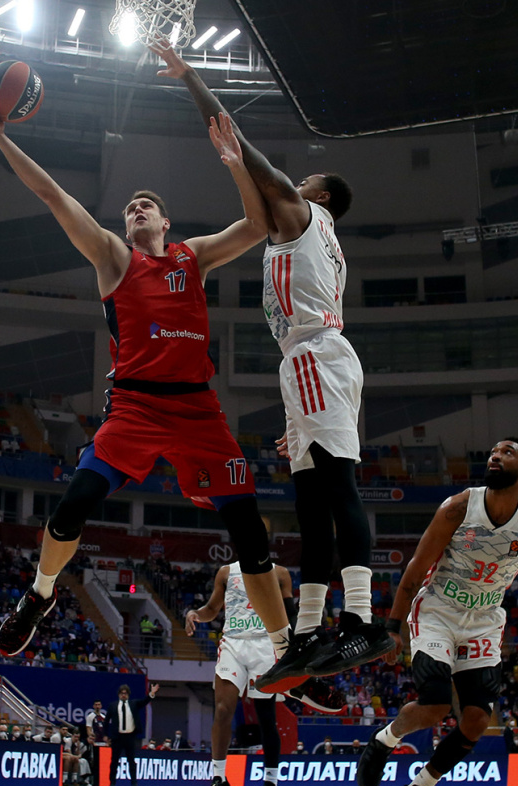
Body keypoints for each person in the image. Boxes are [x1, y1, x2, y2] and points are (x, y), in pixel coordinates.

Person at [0, 76, 302, 676]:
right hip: (135, 407)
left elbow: (258, 226)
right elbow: (52, 195)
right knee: (74, 505)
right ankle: (40, 595)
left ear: (165, 221)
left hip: (197, 410)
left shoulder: (192, 256)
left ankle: (287, 654)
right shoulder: (112, 256)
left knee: (249, 531)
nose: (136, 209)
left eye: (146, 205)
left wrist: (235, 163)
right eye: (130, 208)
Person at [154, 42, 394, 691]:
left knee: (336, 490)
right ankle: (309, 631)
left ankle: (363, 620)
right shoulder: (318, 236)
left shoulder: (304, 214)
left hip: (316, 357)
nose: (295, 181)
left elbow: (246, 148)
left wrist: (190, 77)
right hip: (310, 364)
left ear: (318, 194)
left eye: (305, 179)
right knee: (310, 504)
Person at [355, 439, 518, 786]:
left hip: (483, 620)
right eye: (493, 452)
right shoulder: (458, 507)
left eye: (507, 452)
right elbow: (416, 568)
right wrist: (393, 628)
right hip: (438, 610)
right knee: (435, 706)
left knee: (476, 721)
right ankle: (384, 740)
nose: (495, 456)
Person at [186, 561, 300, 786]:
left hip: (266, 643)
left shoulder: (280, 573)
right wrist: (195, 614)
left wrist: (295, 646)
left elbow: (290, 613)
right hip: (233, 642)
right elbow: (212, 609)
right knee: (222, 710)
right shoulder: (226, 572)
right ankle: (219, 781)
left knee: (266, 717)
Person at [107, 683, 159, 786]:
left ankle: (134, 784)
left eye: (125, 693)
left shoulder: (133, 704)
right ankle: (112, 783)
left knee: (131, 761)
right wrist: (106, 735)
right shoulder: (113, 705)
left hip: (129, 736)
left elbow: (144, 702)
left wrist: (151, 693)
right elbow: (106, 721)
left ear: (128, 695)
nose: (123, 695)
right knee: (114, 761)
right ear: (119, 694)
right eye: (122, 693)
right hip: (117, 737)